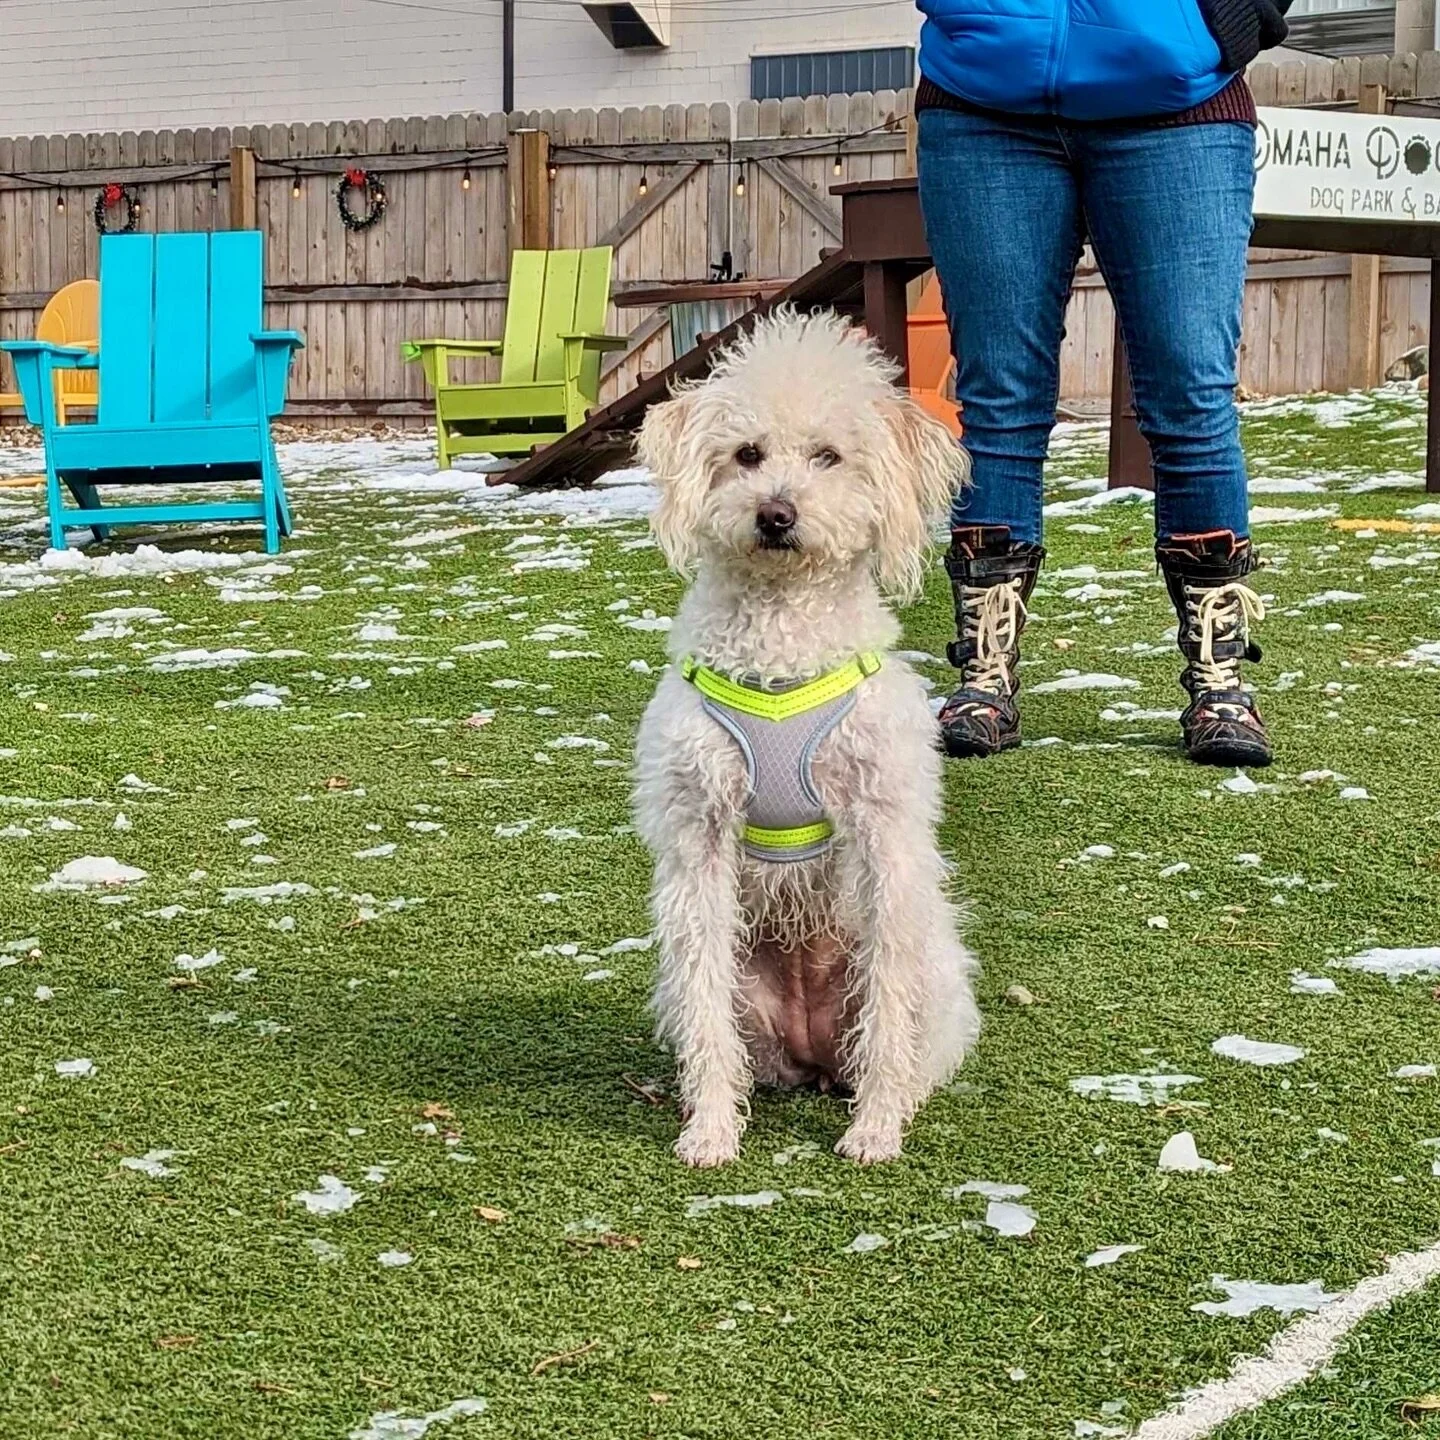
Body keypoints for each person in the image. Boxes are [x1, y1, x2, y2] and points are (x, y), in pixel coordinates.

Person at [915, 0, 1292, 767]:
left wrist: (1228, 18)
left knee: (1191, 397)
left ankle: (1220, 682)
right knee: (997, 400)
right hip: (982, 100)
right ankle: (985, 677)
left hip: (1178, 103)